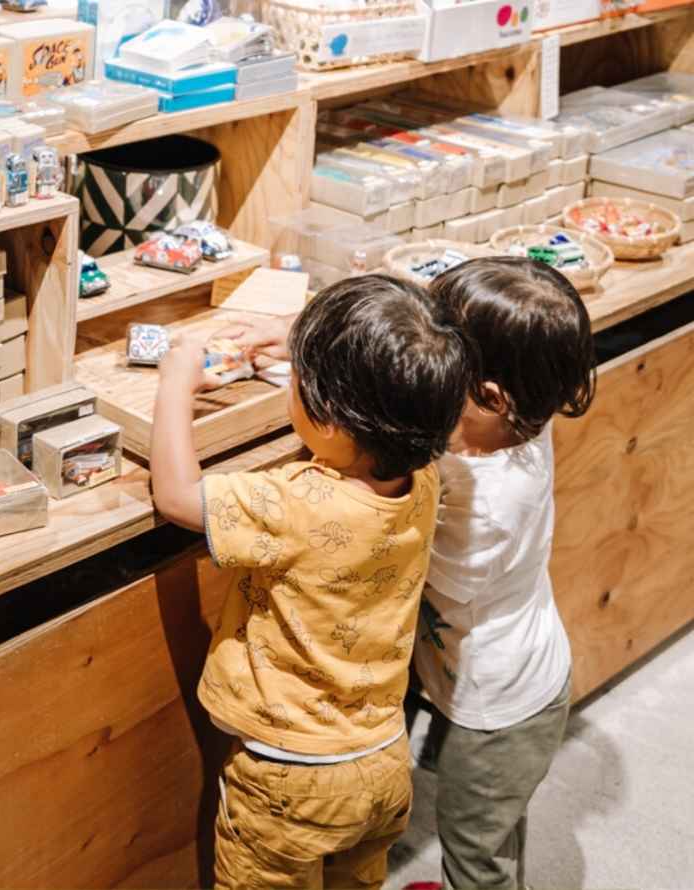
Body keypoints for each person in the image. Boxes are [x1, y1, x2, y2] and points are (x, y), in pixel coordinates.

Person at [150, 275, 472, 890]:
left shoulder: (296, 504)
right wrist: (301, 339)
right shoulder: (427, 476)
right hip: (381, 754)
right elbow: (402, 363)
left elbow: (176, 497)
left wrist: (176, 383)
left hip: (287, 779)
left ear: (327, 421)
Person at [408, 258, 594, 890]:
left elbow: (414, 566)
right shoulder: (519, 421)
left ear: (489, 395)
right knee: (497, 824)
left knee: (473, 848)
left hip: (500, 709)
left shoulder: (485, 501)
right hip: (503, 676)